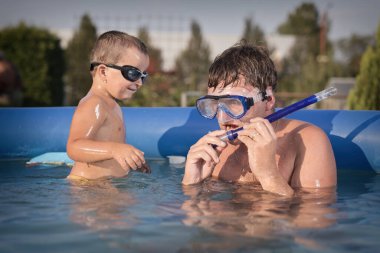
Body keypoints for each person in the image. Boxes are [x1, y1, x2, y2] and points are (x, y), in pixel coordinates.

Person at [182, 42, 337, 196]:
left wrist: (268, 175)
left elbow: (315, 216)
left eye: (234, 103)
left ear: (268, 100)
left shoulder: (308, 141)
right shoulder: (216, 152)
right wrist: (192, 184)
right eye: (214, 104)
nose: (222, 118)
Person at [66, 30, 151, 180]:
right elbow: (74, 147)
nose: (139, 82)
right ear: (103, 72)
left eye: (143, 76)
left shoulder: (112, 105)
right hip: (89, 187)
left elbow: (113, 148)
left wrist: (129, 159)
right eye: (133, 73)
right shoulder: (94, 104)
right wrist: (115, 150)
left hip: (107, 185)